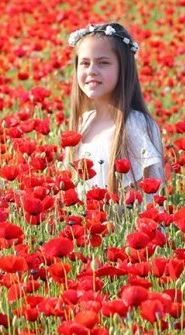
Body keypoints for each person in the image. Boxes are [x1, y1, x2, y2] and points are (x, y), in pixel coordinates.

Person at [64, 22, 165, 206]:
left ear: (123, 68)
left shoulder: (134, 124)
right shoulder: (83, 124)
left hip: (124, 233)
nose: (92, 70)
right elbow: (71, 199)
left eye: (103, 63)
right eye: (85, 63)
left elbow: (134, 207)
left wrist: (90, 215)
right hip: (88, 228)